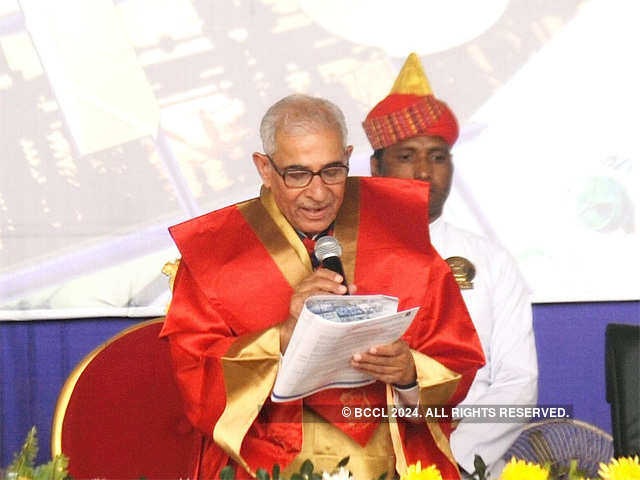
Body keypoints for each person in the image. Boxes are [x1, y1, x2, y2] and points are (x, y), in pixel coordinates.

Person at [160, 94, 485, 479]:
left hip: (391, 461)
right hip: (270, 463)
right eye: (297, 174)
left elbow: (456, 357)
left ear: (349, 157)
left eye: (332, 171)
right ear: (264, 168)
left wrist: (411, 374)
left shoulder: (400, 237)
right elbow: (197, 383)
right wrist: (281, 336)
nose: (318, 193)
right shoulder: (216, 254)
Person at [363, 53, 539, 477]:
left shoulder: (491, 261)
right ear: (376, 166)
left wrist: (451, 456)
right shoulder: (346, 258)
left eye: (438, 157)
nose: (424, 171)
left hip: (467, 462)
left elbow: (518, 382)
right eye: (406, 156)